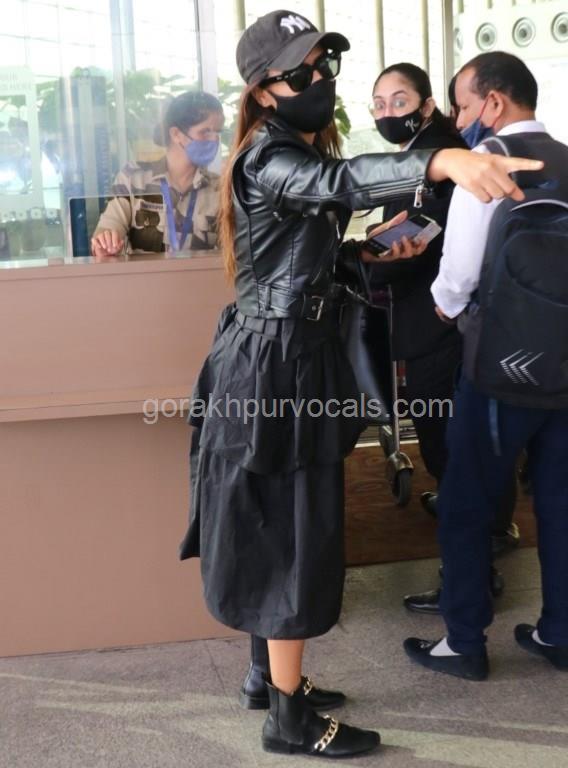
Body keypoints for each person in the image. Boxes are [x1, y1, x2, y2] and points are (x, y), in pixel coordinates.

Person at [178, 11, 542, 758]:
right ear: (264, 91)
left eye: (324, 65)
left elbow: (295, 250)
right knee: (290, 526)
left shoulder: (282, 149)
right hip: (276, 365)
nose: (319, 80)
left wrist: (359, 256)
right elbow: (336, 182)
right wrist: (440, 162)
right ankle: (288, 718)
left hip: (288, 353)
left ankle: (267, 678)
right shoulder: (268, 157)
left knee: (278, 518)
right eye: (300, 72)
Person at [404, 51, 568, 681]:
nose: (459, 118)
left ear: (494, 103)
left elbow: (459, 277)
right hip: (565, 368)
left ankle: (465, 642)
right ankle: (559, 634)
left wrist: (444, 308)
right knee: (560, 500)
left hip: (500, 370)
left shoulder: (487, 166)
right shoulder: (567, 159)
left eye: (464, 105)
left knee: (467, 500)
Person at [369, 63, 518, 615]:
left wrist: (371, 256)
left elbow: (436, 243)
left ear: (427, 105)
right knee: (462, 442)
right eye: (379, 103)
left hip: (441, 323)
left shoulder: (443, 158)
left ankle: (473, 573)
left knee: (447, 442)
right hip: (447, 321)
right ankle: (490, 527)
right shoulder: (426, 152)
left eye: (399, 100)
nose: (388, 112)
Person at [91, 91, 223, 258]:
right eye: (205, 131)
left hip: (198, 275)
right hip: (144, 276)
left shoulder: (220, 189)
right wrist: (105, 243)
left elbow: (235, 254)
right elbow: (106, 231)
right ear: (176, 134)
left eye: (218, 132)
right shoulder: (133, 179)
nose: (214, 140)